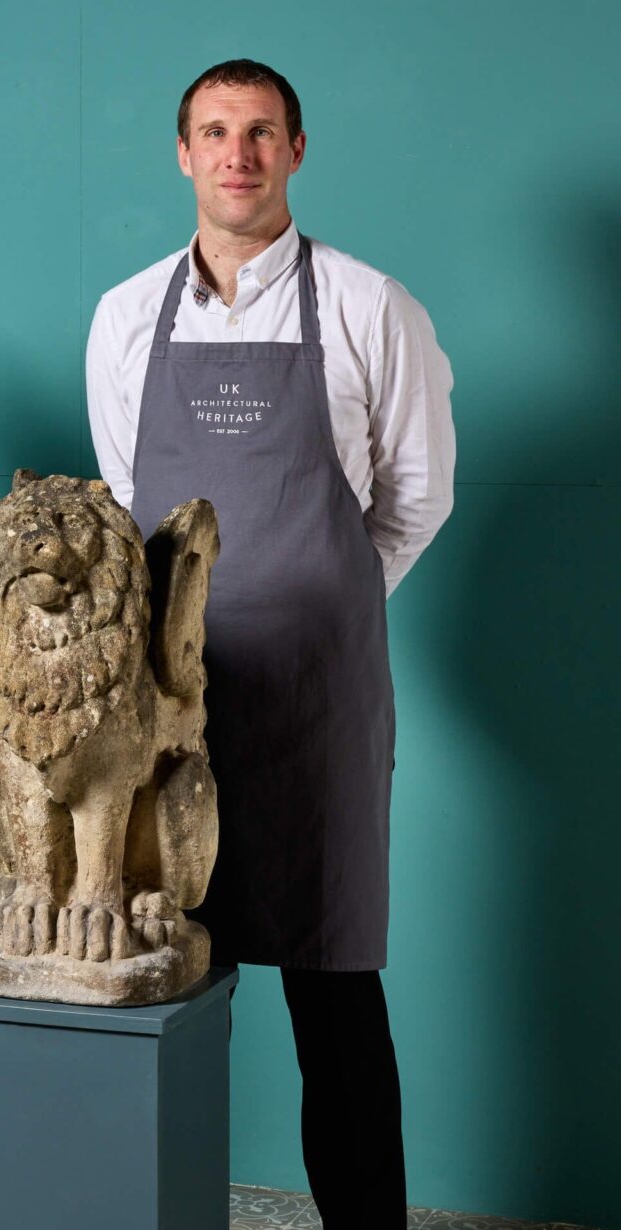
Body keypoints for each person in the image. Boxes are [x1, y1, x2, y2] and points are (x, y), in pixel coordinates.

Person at [85, 59, 455, 1228]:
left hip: (315, 705)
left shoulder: (369, 306)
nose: (236, 154)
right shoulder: (125, 316)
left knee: (334, 997)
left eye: (259, 132)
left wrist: (321, 600)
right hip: (165, 705)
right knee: (150, 973)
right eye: (214, 132)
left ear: (296, 150)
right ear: (183, 154)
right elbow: (125, 492)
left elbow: (419, 495)